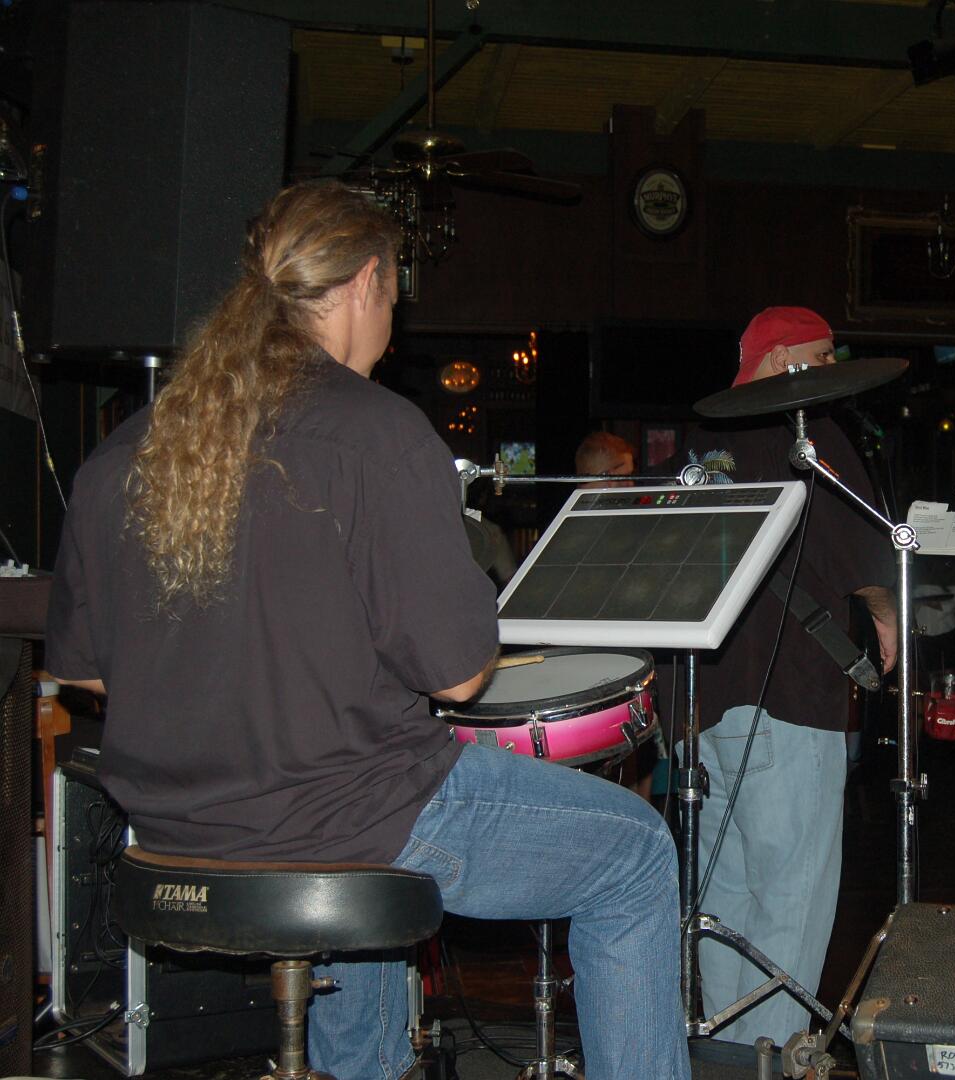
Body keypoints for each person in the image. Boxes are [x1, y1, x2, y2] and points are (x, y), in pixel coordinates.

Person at [45, 181, 689, 1080]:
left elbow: (91, 677)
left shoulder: (129, 449)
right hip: (341, 821)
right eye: (394, 294)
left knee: (361, 828)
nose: (394, 319)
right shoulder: (378, 432)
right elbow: (458, 677)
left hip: (170, 836)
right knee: (634, 852)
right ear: (364, 283)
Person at [693, 306, 898, 1047]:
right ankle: (774, 1060)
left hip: (704, 706)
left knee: (723, 900)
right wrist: (887, 613)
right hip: (787, 700)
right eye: (822, 356)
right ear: (781, 362)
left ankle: (726, 1057)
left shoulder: (703, 445)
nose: (833, 371)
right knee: (791, 900)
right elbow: (863, 551)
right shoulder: (808, 430)